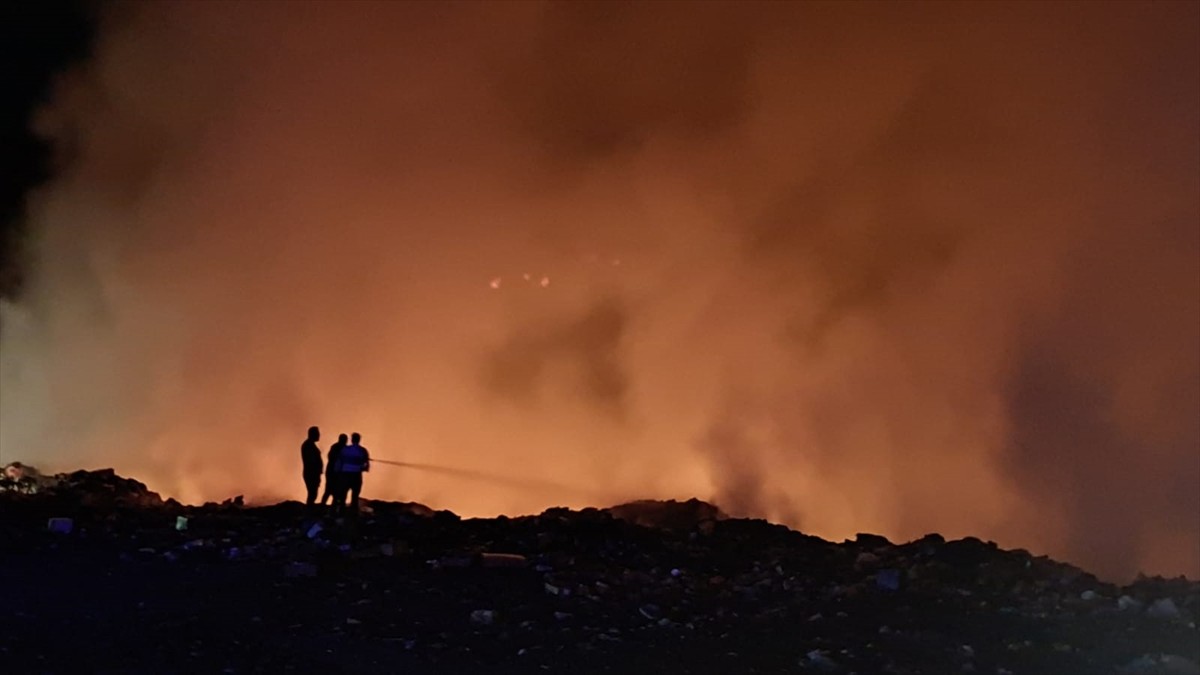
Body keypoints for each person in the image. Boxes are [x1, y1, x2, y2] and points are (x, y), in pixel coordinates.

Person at [335, 432, 370, 513]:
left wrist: (337, 472)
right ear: (359, 440)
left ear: (352, 439)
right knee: (355, 495)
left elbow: (339, 462)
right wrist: (363, 468)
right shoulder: (362, 450)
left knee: (343, 494)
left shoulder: (345, 449)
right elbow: (366, 464)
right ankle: (353, 512)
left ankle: (341, 511)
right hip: (356, 475)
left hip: (345, 474)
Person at [320, 433, 348, 507]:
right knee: (332, 491)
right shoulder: (342, 449)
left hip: (332, 472)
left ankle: (323, 506)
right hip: (335, 474)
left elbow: (330, 457)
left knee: (329, 491)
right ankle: (328, 507)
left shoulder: (335, 447)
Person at [300, 426, 322, 506]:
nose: (319, 435)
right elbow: (311, 461)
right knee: (312, 493)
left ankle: (309, 507)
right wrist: (316, 473)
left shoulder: (309, 445)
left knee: (313, 493)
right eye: (317, 434)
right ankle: (309, 508)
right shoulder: (308, 445)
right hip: (311, 473)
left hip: (312, 473)